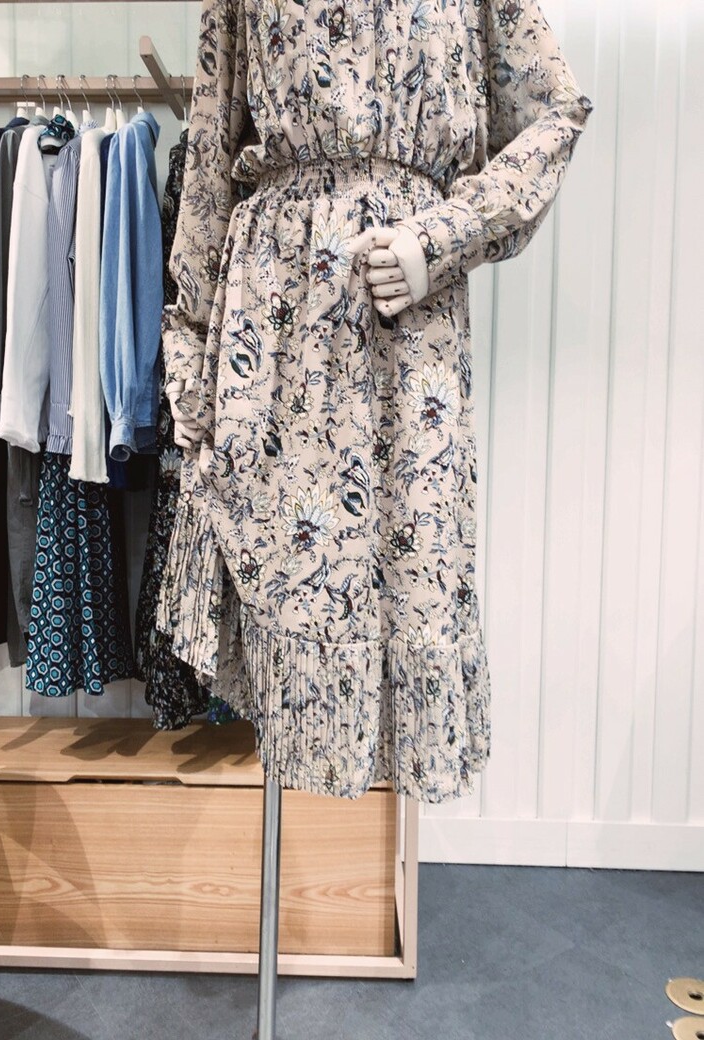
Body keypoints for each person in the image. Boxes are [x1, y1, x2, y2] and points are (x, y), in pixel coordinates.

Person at [159, 0, 593, 803]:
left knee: (409, 559)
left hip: (407, 317)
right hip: (274, 320)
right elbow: (212, 148)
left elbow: (554, 111)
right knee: (283, 574)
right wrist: (187, 342)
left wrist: (444, 236)